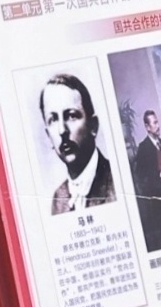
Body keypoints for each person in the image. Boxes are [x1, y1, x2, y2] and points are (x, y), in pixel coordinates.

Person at [38, 74, 118, 217]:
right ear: (48, 136)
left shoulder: (117, 182)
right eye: (53, 119)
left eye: (71, 115)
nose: (62, 130)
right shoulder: (58, 199)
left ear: (93, 126)